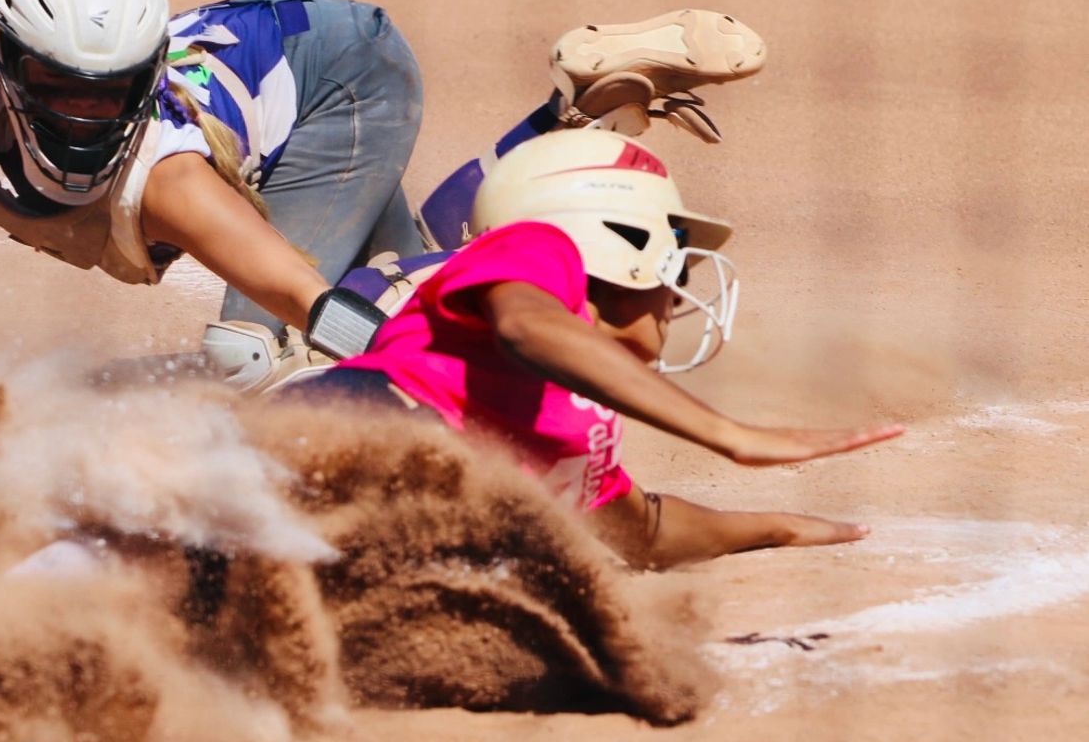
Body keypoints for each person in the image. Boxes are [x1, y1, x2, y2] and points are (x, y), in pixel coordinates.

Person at [308, 129, 904, 570]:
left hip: (414, 498)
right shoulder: (536, 249)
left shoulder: (576, 418)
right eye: (676, 266)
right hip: (362, 418)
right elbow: (527, 328)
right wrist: (731, 436)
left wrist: (776, 528)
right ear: (622, 242)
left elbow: (645, 535)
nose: (675, 297)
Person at [0, 0, 425, 371]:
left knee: (253, 355)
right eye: (57, 82)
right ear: (5, 62)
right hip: (278, 63)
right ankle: (426, 275)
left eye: (110, 88)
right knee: (393, 280)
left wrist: (422, 374)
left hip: (347, 78)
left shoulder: (172, 184)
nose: (85, 111)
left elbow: (312, 303)